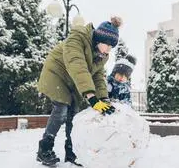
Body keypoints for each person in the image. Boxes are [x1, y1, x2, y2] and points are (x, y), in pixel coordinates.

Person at [36, 17, 122, 166]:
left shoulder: (102, 56)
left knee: (74, 115)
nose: (109, 49)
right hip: (57, 74)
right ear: (98, 38)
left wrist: (103, 99)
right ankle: (44, 149)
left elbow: (98, 77)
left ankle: (71, 152)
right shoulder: (77, 38)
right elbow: (78, 65)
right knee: (61, 109)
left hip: (74, 80)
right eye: (107, 44)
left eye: (111, 47)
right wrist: (91, 96)